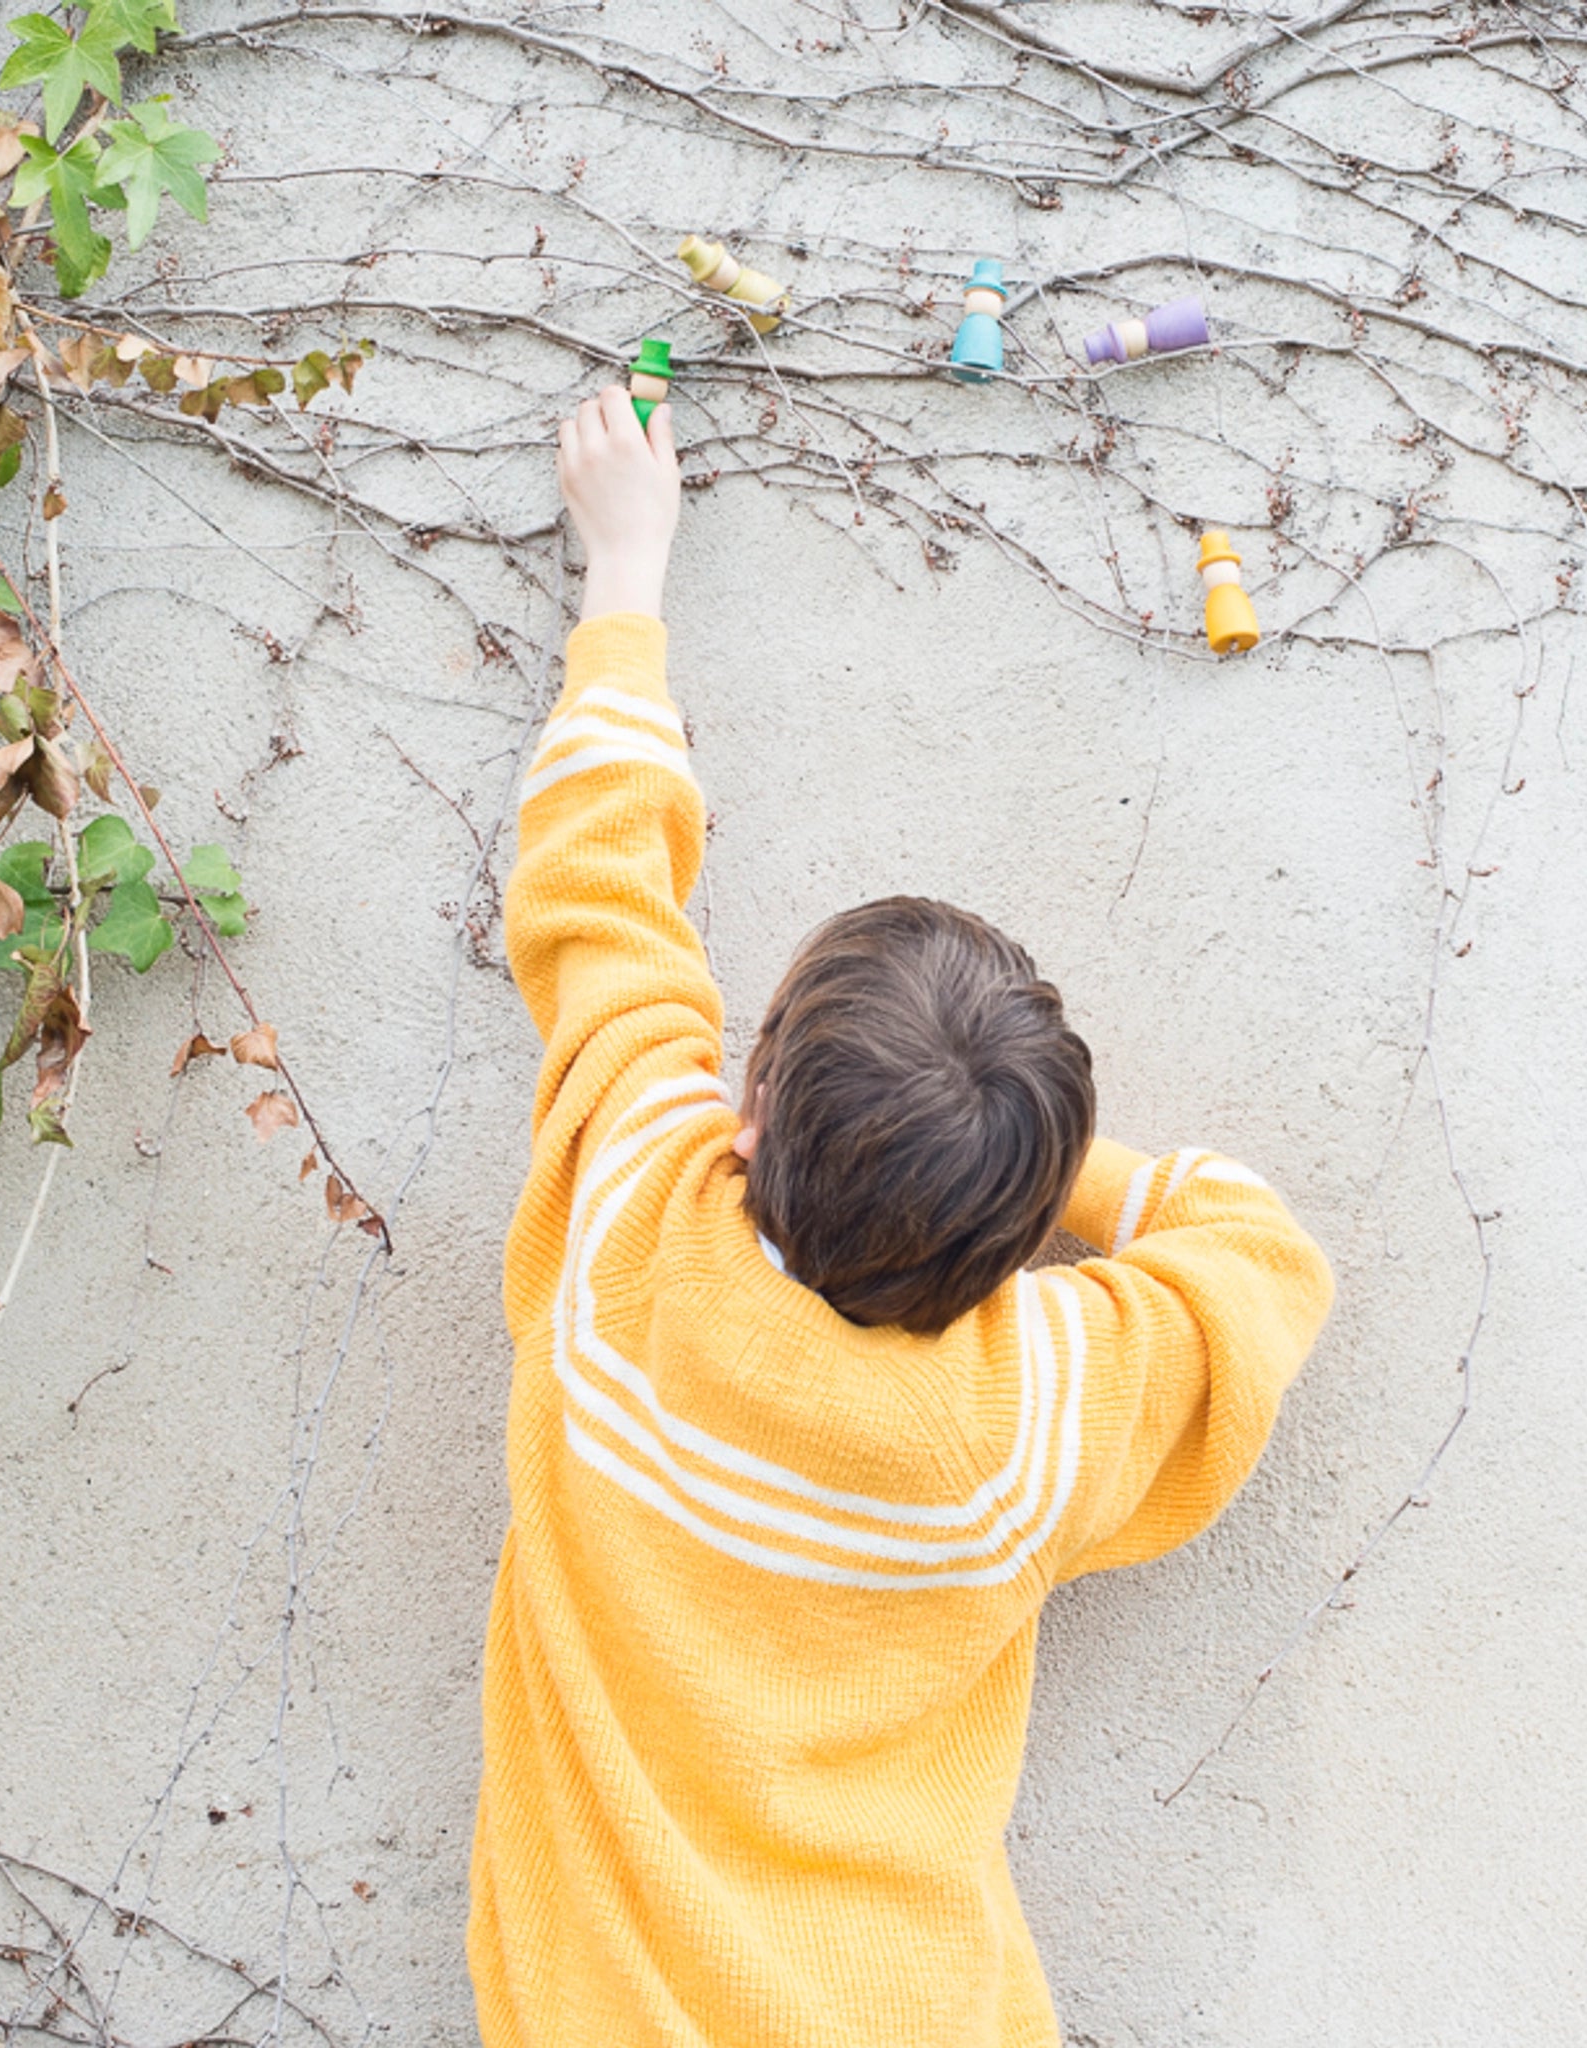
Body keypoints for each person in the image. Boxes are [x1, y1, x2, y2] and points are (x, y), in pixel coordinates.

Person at [466, 386, 1336, 2048]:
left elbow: (597, 894)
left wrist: (626, 569)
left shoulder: (629, 1220)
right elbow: (1253, 1252)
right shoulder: (1033, 1417)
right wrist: (1029, 1163)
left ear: (745, 1105)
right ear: (1019, 1252)